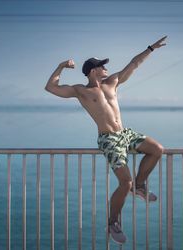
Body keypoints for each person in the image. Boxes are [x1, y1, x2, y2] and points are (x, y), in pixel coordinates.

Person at [45, 36, 167, 245]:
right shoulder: (80, 91)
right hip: (109, 140)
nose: (107, 69)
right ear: (93, 70)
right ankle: (112, 222)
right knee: (123, 182)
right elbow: (51, 87)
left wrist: (150, 49)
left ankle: (139, 186)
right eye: (103, 66)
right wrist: (61, 66)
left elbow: (134, 64)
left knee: (157, 149)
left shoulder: (113, 82)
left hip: (125, 133)